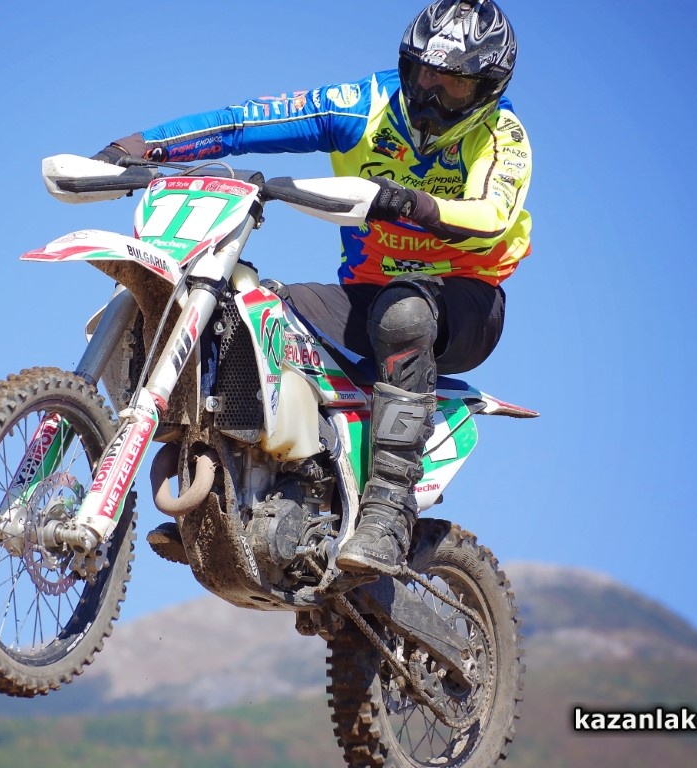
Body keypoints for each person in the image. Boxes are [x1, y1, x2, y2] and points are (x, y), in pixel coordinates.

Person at [91, 0, 531, 575]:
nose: (431, 94)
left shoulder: (503, 136)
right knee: (246, 312)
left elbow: (494, 214)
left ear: (487, 90)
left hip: (465, 300)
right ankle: (225, 483)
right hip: (366, 294)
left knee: (404, 314)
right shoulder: (363, 106)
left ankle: (388, 514)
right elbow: (246, 121)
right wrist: (137, 147)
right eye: (425, 74)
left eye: (453, 85)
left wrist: (413, 204)